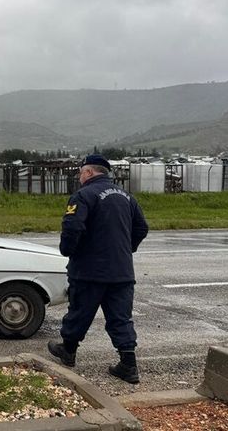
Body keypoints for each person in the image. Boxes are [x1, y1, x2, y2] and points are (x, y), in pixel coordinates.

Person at [48, 154, 148, 384]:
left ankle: (69, 351)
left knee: (80, 312)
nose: (79, 176)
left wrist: (68, 250)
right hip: (121, 271)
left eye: (81, 172)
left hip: (89, 270)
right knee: (121, 318)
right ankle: (128, 364)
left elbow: (72, 226)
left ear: (90, 172)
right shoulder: (127, 197)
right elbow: (142, 227)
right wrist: (126, 248)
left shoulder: (83, 195)